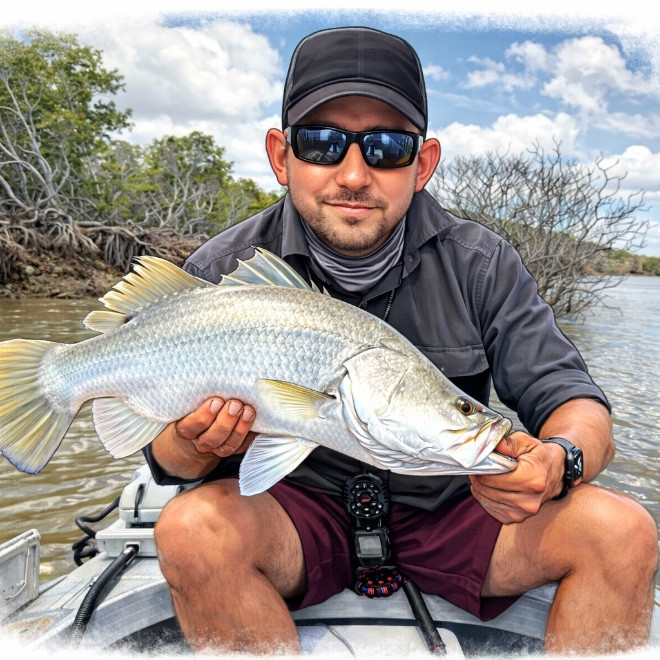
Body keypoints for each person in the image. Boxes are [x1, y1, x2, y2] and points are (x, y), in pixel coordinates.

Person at [145, 26, 658, 655]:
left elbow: (573, 399)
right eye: (321, 143)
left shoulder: (481, 264)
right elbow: (167, 461)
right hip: (291, 515)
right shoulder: (221, 273)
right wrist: (193, 444)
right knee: (191, 530)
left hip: (455, 510)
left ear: (423, 164)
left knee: (621, 532)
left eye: (387, 147)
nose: (354, 174)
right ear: (281, 156)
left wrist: (559, 461)